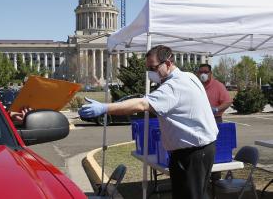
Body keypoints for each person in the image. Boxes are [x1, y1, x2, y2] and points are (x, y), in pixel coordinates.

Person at [79, 45, 218, 199]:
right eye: (148, 68)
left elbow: (142, 104)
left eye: (153, 67)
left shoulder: (174, 86)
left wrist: (105, 107)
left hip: (192, 153)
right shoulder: (188, 76)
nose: (151, 73)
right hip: (201, 149)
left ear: (168, 63)